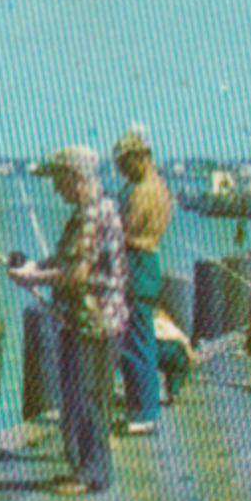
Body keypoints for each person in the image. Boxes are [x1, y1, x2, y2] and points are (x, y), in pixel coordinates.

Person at [9, 146, 128, 495]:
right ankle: (89, 470)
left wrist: (32, 280)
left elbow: (76, 274)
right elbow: (70, 258)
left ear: (76, 176)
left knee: (84, 399)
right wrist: (37, 266)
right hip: (99, 320)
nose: (55, 188)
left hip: (92, 323)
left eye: (59, 180)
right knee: (90, 398)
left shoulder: (92, 215)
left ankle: (89, 474)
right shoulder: (101, 208)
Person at [113, 126, 172, 435]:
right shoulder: (160, 186)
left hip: (136, 262)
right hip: (149, 261)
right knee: (142, 336)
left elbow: (124, 233)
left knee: (133, 341)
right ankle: (145, 406)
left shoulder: (142, 191)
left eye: (124, 163)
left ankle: (142, 412)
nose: (121, 170)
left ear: (140, 158)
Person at [155, 308, 197, 406]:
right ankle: (171, 392)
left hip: (149, 346)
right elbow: (183, 340)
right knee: (180, 363)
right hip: (168, 347)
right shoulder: (167, 324)